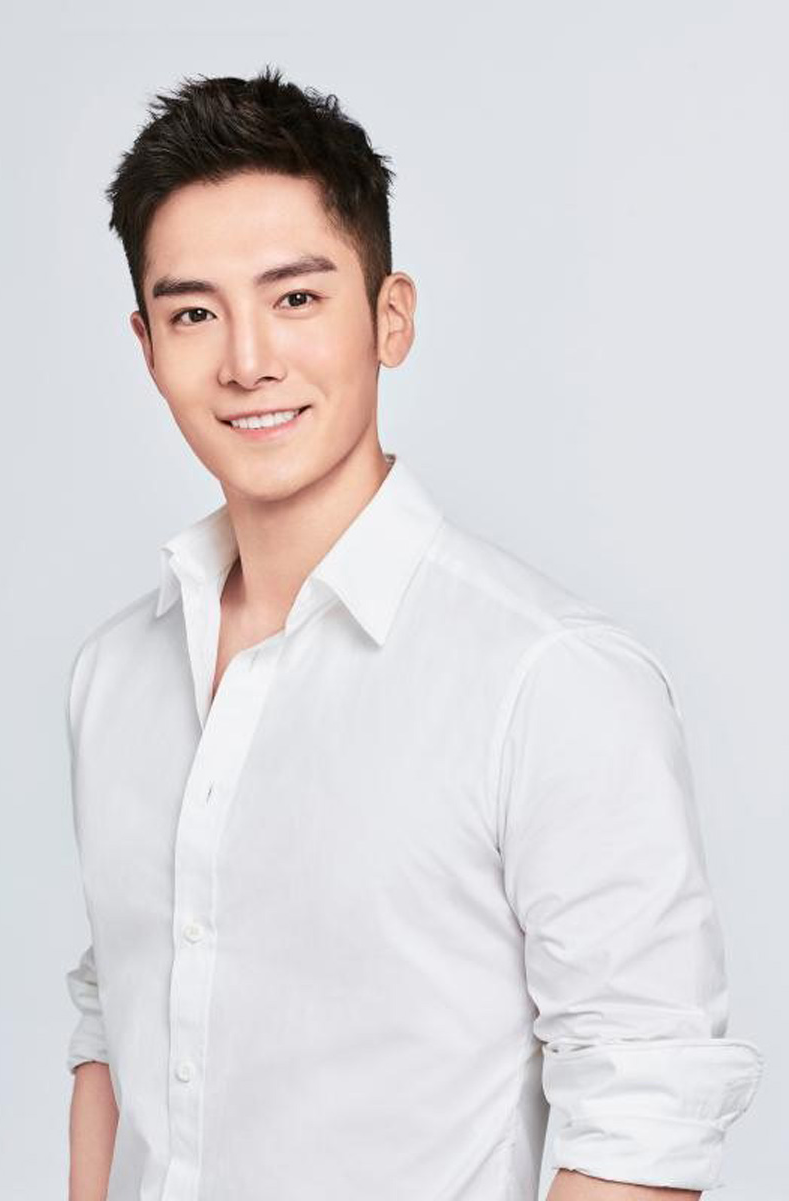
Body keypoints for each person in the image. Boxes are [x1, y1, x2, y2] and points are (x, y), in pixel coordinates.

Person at [64, 67, 763, 1201]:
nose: (246, 359)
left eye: (296, 298)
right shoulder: (115, 676)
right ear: (147, 345)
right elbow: (116, 1022)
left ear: (390, 319)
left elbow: (645, 1107)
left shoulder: (548, 680)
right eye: (194, 313)